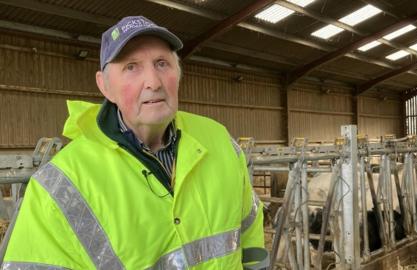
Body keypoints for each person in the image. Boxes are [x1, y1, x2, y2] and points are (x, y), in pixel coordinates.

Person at [2, 16, 265, 269]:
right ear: (104, 86)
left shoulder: (218, 140)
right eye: (131, 67)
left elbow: (249, 226)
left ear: (178, 73)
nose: (153, 82)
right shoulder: (61, 184)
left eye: (162, 63)